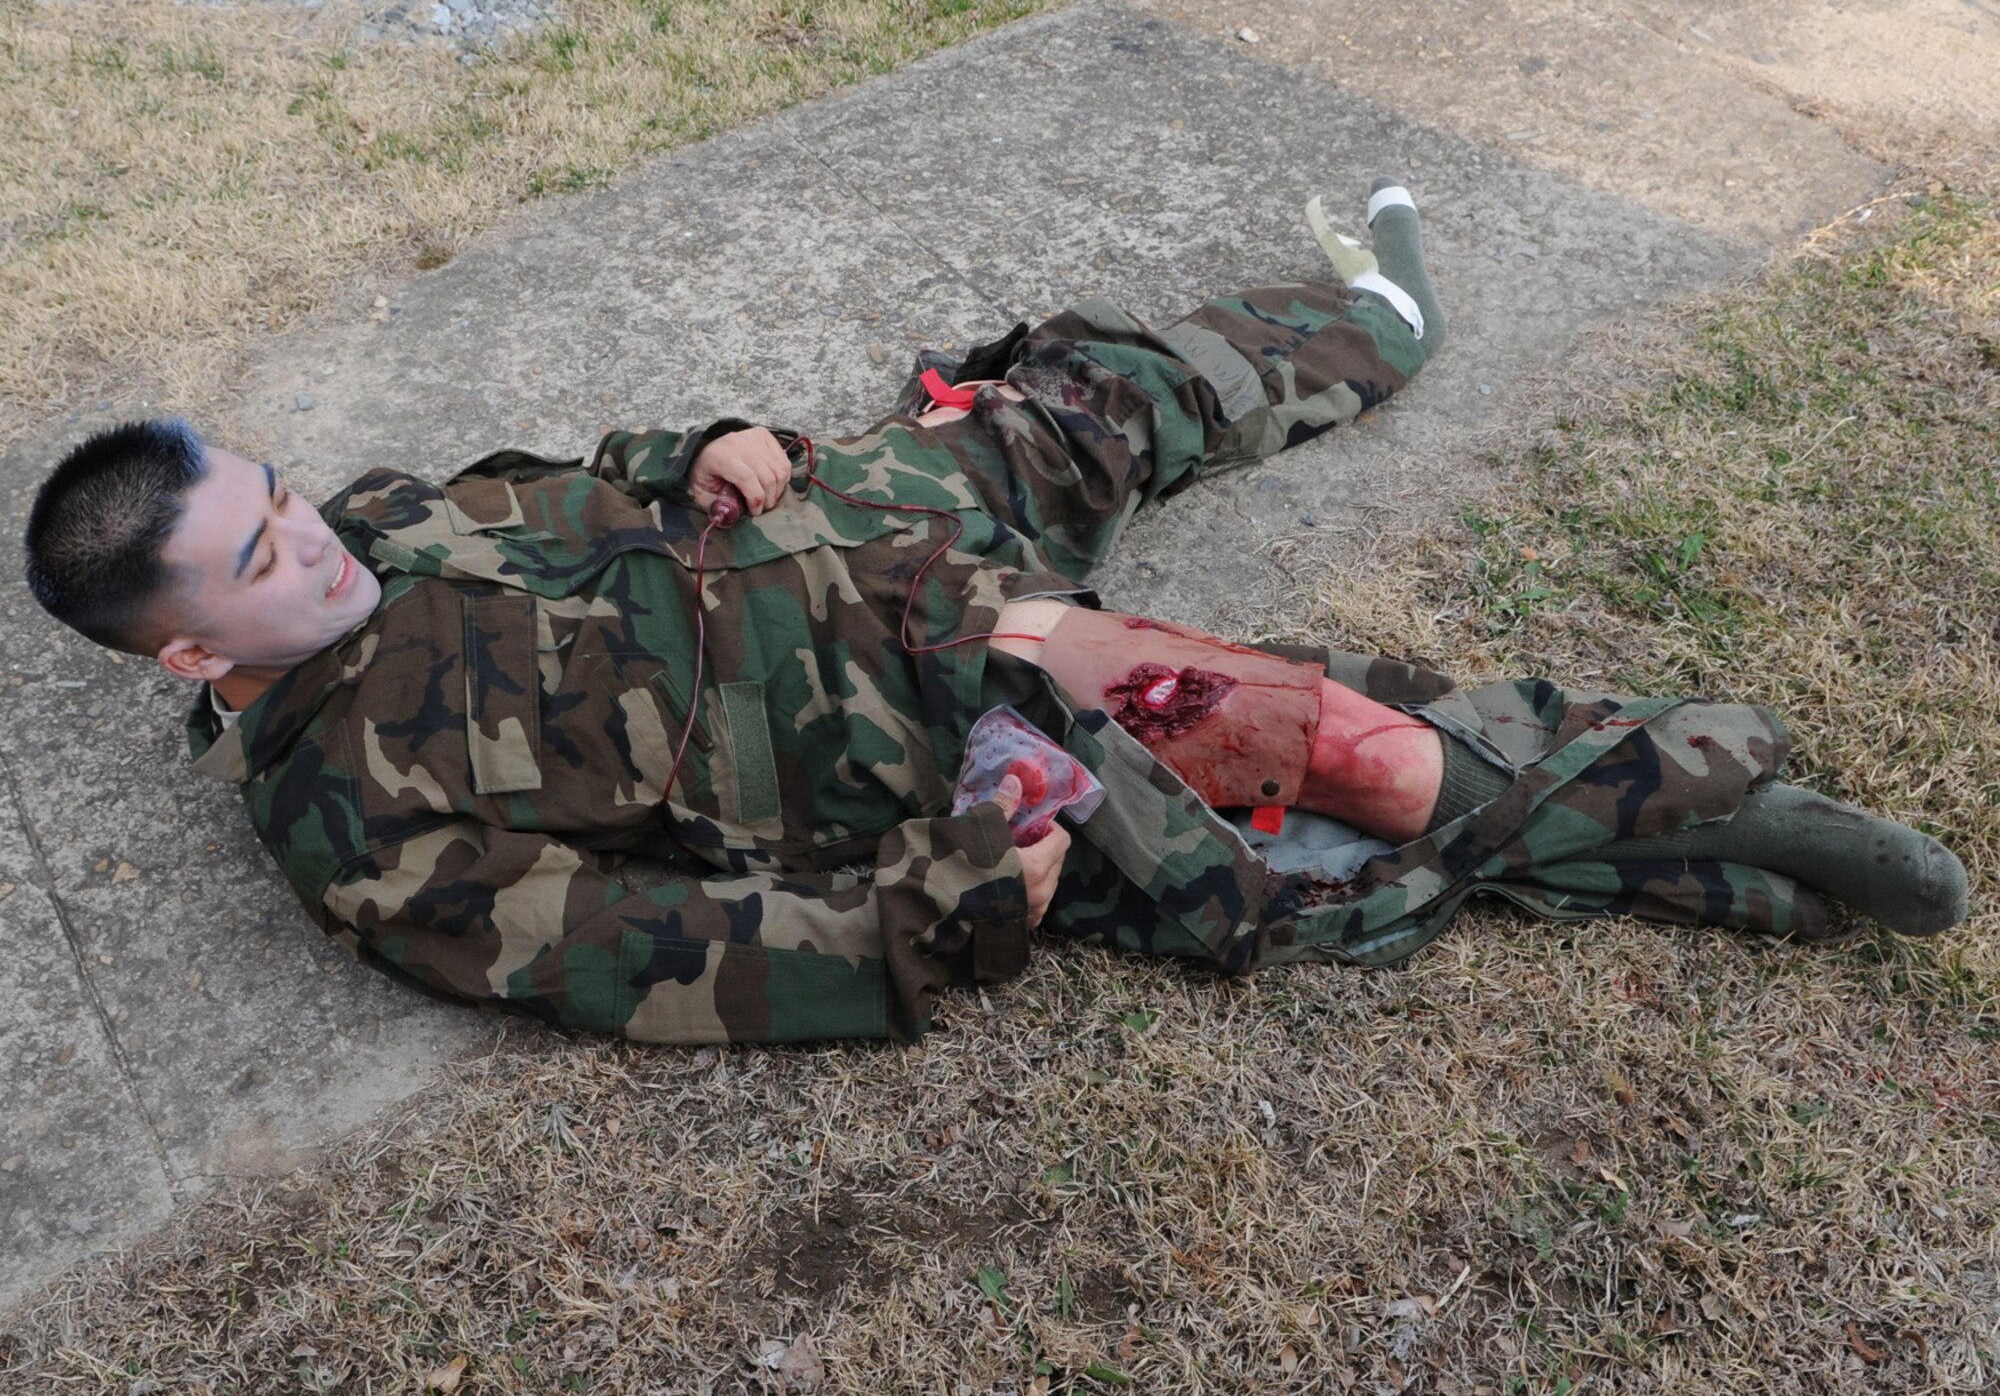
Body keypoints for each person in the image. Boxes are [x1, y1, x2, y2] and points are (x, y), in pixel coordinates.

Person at [23, 183, 1967, 1046]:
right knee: (1322, 782)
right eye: (265, 561)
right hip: (934, 724)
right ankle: (1709, 831)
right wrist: (940, 914)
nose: (318, 542)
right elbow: (652, 951)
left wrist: (701, 444)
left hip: (885, 519)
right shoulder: (355, 819)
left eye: (280, 499)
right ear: (192, 653)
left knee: (1096, 390)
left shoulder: (370, 518)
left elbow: (576, 481)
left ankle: (1373, 322)